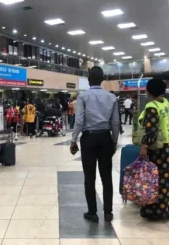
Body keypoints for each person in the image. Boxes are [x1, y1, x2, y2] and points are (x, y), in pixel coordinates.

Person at [70, 66, 120, 223]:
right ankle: (108, 212)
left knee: (89, 176)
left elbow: (79, 121)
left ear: (88, 79)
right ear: (102, 79)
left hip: (89, 139)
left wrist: (73, 140)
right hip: (105, 138)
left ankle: (92, 212)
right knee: (106, 176)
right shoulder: (111, 97)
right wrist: (114, 141)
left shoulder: (83, 97)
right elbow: (116, 122)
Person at [139, 79, 169, 220]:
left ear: (148, 91)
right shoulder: (166, 103)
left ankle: (158, 211)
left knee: (159, 177)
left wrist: (144, 146)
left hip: (161, 148)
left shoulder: (152, 107)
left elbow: (151, 131)